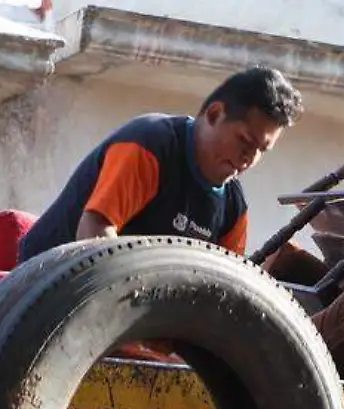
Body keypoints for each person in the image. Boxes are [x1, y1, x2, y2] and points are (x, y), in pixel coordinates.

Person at [18, 67, 304, 263]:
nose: (248, 159)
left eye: (260, 151)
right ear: (215, 114)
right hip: (45, 297)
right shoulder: (149, 145)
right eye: (244, 140)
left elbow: (222, 285)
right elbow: (94, 234)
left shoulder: (233, 208)